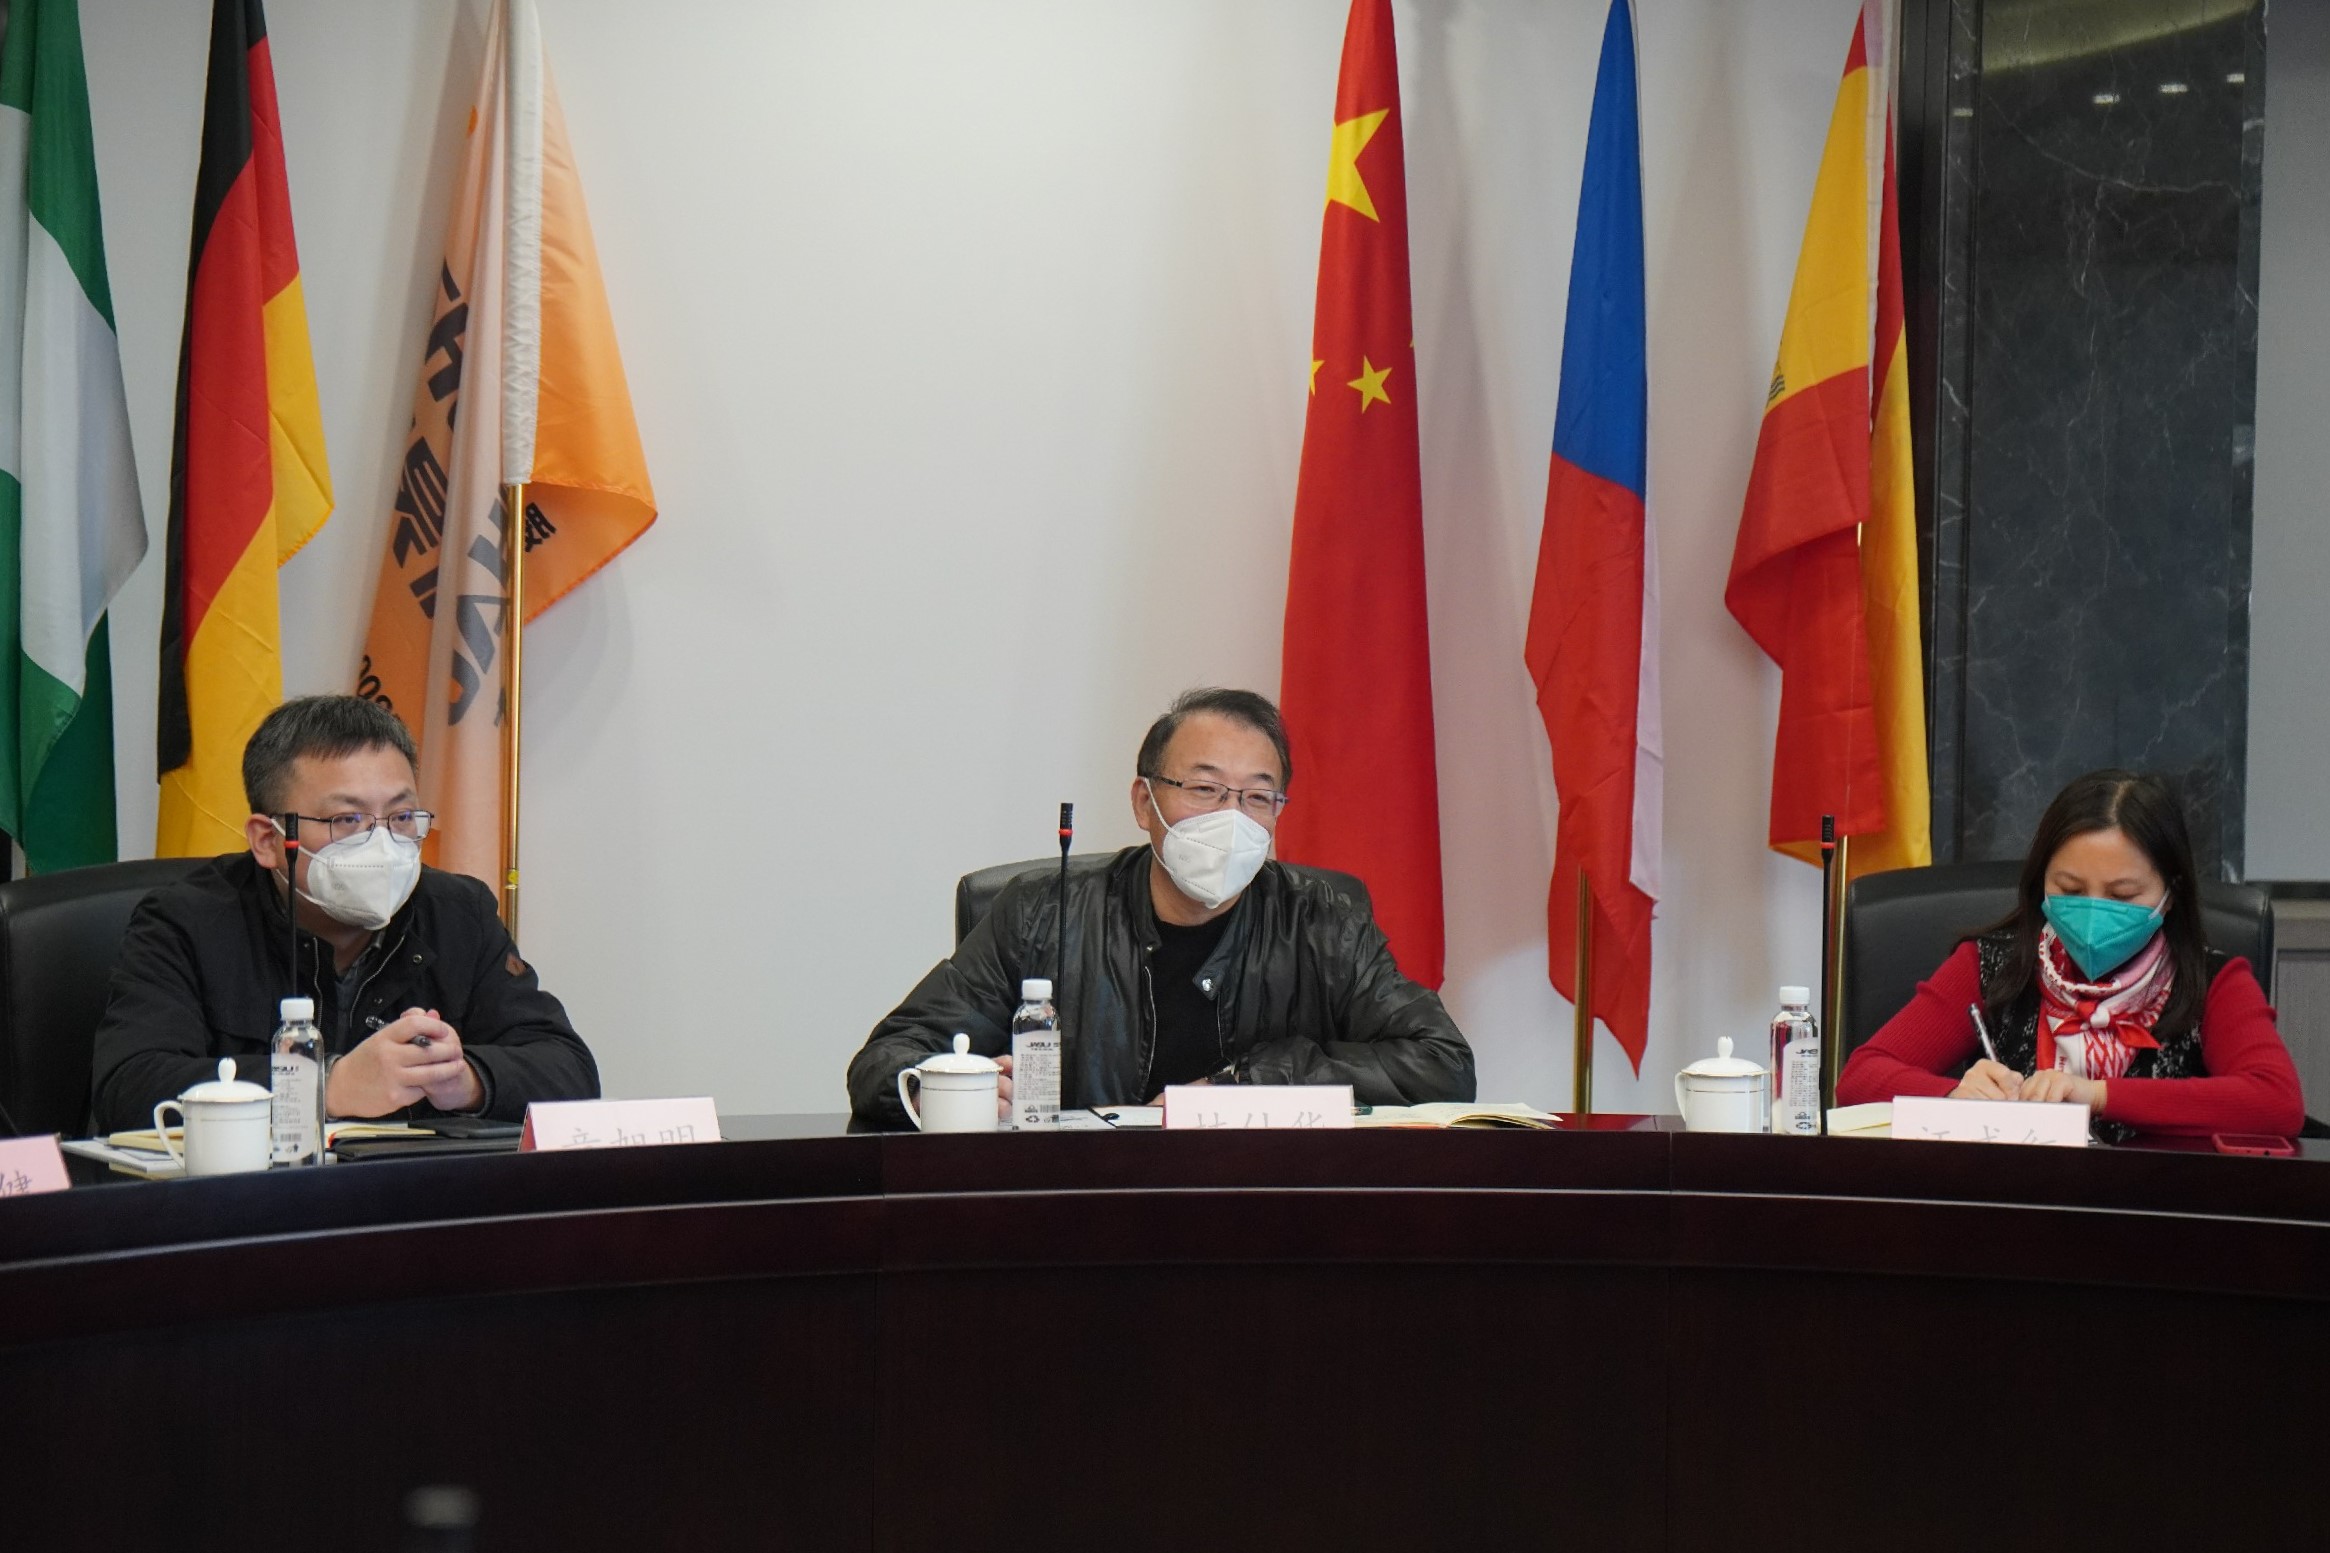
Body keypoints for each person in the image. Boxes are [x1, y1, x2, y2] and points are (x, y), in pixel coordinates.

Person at [848, 687, 1474, 1126]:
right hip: (1082, 1211)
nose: (1233, 818)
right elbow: (886, 1060)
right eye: (1205, 788)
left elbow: (1443, 1063)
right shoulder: (1041, 915)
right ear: (1144, 803)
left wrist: (1245, 1084)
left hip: (1266, 1214)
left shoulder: (1321, 922)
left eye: (1258, 797)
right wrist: (942, 1092)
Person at [91, 695, 598, 1133]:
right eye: (347, 819)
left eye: (401, 816)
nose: (382, 843)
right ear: (268, 840)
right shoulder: (185, 920)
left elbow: (569, 1069)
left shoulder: (460, 912)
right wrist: (325, 1085)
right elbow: (129, 1087)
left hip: (414, 1200)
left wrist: (462, 1079)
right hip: (252, 1204)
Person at [1837, 769, 2303, 1139]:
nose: (2095, 913)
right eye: (2071, 889)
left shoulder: (2212, 981)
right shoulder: (1993, 965)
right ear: (2041, 882)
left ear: (2170, 894)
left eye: (2122, 896)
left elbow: (2276, 1103)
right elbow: (1859, 1079)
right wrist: (1955, 1093)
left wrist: (2096, 1095)